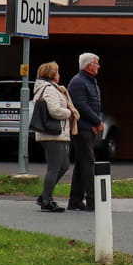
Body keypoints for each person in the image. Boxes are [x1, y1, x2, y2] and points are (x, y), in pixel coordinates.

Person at [31, 61, 78, 213]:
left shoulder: (51, 88)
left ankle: (45, 195)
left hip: (56, 134)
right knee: (54, 168)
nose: (59, 74)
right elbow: (55, 110)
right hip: (52, 134)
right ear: (52, 74)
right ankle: (46, 200)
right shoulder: (50, 89)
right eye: (57, 72)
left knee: (64, 165)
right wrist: (69, 112)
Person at [67, 52, 104, 211]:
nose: (98, 66)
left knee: (81, 164)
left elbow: (94, 105)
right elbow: (81, 105)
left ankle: (75, 200)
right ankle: (92, 201)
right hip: (82, 129)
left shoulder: (90, 81)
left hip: (90, 128)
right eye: (96, 63)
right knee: (88, 164)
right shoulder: (78, 82)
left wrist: (97, 121)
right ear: (88, 65)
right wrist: (97, 121)